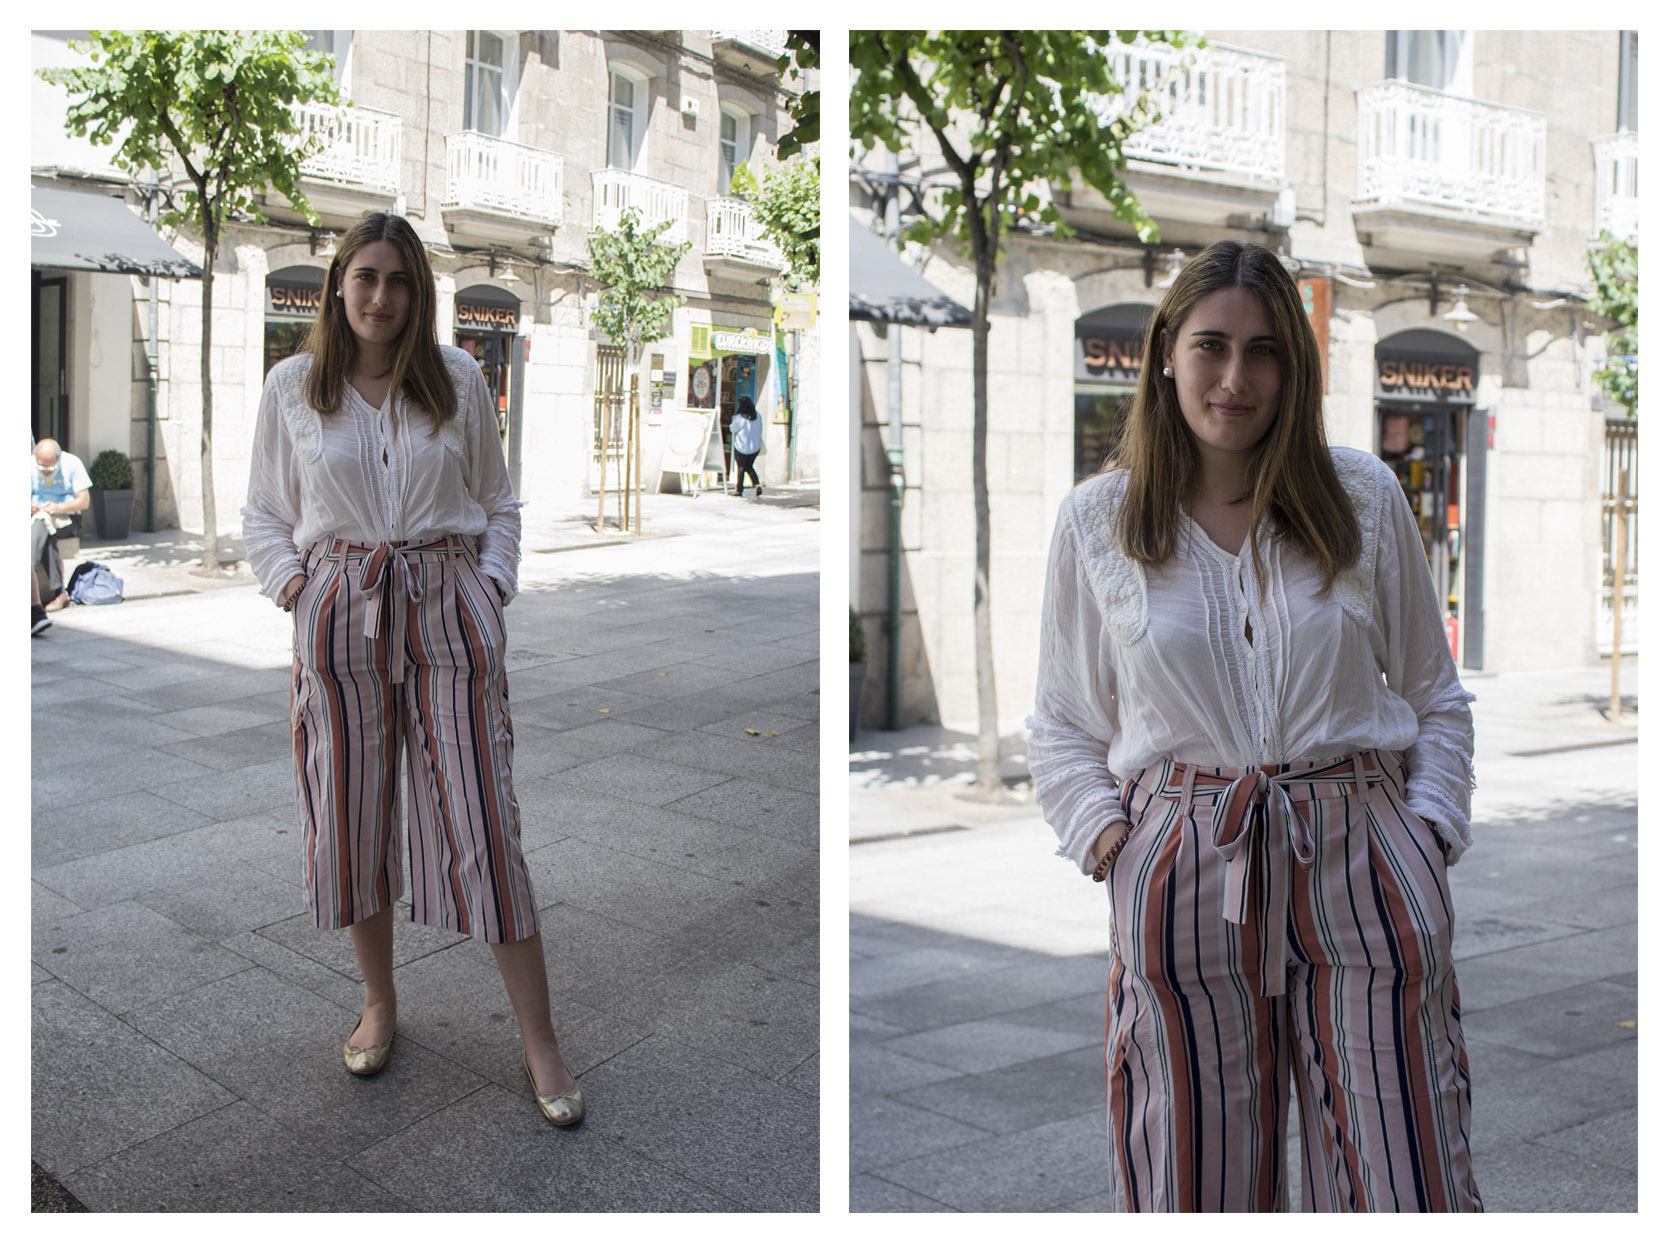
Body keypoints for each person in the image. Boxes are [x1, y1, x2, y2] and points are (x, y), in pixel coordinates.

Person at [1026, 240, 1480, 1212]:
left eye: (1265, 351)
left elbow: (1435, 694)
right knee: (1193, 1189)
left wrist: (1426, 831)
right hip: (1186, 866)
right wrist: (1116, 842)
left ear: (1295, 368)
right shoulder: (1098, 521)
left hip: (1360, 855)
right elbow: (1063, 721)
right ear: (1164, 351)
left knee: (1409, 1184)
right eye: (1211, 345)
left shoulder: (1359, 496)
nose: (1236, 377)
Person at [241, 212, 583, 1127]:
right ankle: (381, 1002)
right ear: (338, 285)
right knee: (352, 821)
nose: (380, 298)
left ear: (417, 289)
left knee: (485, 819)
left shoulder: (459, 377)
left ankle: (540, 1038)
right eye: (364, 279)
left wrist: (492, 588)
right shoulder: (291, 388)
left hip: (444, 608)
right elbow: (265, 516)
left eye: (396, 281)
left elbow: (498, 502)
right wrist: (296, 592)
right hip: (340, 614)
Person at [32, 437, 90, 612]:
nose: (46, 471)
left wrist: (59, 507)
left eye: (50, 467)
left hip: (66, 517)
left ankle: (35, 572)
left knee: (46, 527)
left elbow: (84, 501)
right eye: (42, 467)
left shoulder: (72, 464)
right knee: (44, 526)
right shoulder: (28, 465)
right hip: (37, 517)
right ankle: (59, 592)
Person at [730, 395, 764, 497]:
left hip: (742, 447)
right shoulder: (758, 415)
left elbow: (733, 429)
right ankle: (756, 484)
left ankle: (739, 489)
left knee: (741, 467)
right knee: (749, 466)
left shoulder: (740, 418)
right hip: (755, 447)